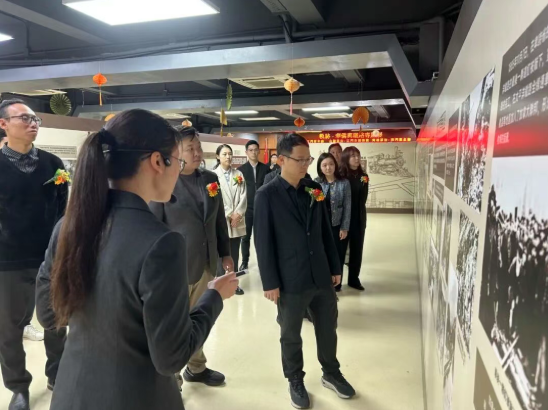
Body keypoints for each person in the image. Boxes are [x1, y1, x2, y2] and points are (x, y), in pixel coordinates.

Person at [35, 109, 239, 410]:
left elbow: (48, 315)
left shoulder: (68, 226)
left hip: (72, 392)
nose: (179, 169)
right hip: (135, 396)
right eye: (178, 161)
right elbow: (171, 356)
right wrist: (214, 297)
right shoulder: (161, 243)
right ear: (157, 162)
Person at [254, 133, 356, 409]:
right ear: (281, 160)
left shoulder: (314, 189)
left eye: (307, 159)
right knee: (290, 333)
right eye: (299, 160)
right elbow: (263, 242)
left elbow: (324, 231)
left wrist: (334, 266)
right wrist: (270, 282)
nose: (305, 165)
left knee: (328, 327)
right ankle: (295, 378)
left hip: (320, 274)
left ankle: (331, 373)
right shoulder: (266, 195)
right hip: (290, 279)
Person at [149, 126, 233, 389]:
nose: (197, 153)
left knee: (199, 317)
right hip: (175, 268)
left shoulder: (209, 178)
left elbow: (218, 220)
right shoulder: (164, 180)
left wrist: (226, 253)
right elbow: (153, 227)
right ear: (176, 152)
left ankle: (196, 367)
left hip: (206, 262)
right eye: (190, 149)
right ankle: (171, 376)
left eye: (199, 147)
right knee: (175, 323)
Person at [0, 99, 68, 410]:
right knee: (10, 329)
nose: (33, 123)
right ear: (4, 124)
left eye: (35, 119)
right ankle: (18, 387)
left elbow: (63, 211)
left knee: (56, 320)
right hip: (8, 261)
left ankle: (58, 374)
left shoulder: (53, 164)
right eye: (24, 118)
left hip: (50, 258)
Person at [315, 153, 351, 292]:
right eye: (324, 165)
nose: (328, 168)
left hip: (337, 226)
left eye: (330, 164)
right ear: (320, 167)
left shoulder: (344, 183)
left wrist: (344, 227)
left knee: (338, 255)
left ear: (335, 165)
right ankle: (325, 284)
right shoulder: (316, 183)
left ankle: (337, 285)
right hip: (321, 226)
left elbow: (347, 206)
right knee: (323, 255)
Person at [214, 144, 246, 295]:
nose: (228, 157)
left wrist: (238, 214)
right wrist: (228, 213)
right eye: (225, 154)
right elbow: (215, 199)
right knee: (221, 253)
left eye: (230, 154)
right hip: (221, 220)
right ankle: (220, 283)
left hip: (236, 221)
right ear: (218, 156)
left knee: (234, 253)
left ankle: (234, 283)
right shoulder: (213, 175)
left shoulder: (238, 174)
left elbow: (244, 195)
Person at [237, 140, 271, 271]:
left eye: (256, 150)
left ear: (259, 151)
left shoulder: (266, 169)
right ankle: (244, 261)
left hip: (262, 208)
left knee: (261, 237)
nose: (253, 152)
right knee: (245, 237)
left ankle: (262, 261)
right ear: (246, 152)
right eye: (250, 150)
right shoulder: (240, 170)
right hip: (247, 208)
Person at [339, 146, 369, 291]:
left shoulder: (364, 176)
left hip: (358, 218)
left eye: (358, 155)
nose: (357, 158)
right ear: (346, 158)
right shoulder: (340, 176)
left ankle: (354, 280)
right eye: (353, 156)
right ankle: (337, 282)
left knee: (357, 250)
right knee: (340, 251)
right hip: (343, 220)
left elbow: (364, 198)